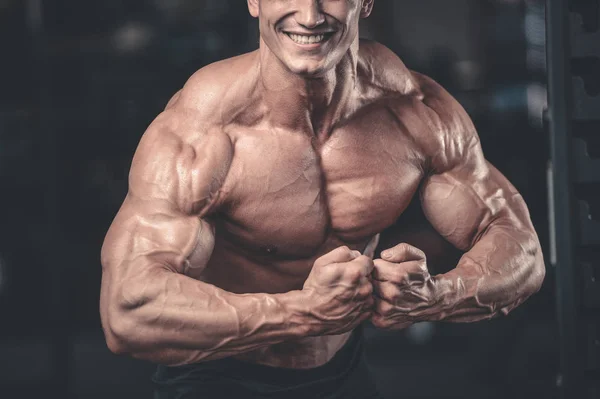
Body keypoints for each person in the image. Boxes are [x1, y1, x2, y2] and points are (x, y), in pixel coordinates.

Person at [99, 0, 546, 397]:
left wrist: (438, 296)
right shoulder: (205, 130)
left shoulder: (414, 109)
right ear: (254, 2)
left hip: (342, 370)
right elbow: (127, 308)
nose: (310, 15)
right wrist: (301, 314)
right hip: (218, 377)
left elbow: (520, 248)